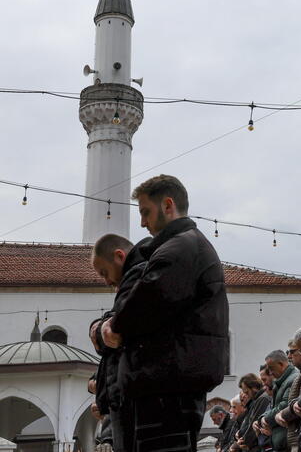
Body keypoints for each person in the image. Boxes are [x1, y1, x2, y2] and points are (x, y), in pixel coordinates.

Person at [101, 174, 229, 452]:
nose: (142, 222)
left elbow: (144, 305)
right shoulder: (183, 246)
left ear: (168, 205)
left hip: (166, 388)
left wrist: (114, 326)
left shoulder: (179, 249)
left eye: (146, 212)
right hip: (170, 383)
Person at [88, 233, 150, 452]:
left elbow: (120, 329)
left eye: (105, 272)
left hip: (133, 399)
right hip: (125, 398)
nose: (106, 281)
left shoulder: (138, 276)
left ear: (119, 256)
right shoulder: (136, 277)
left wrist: (101, 330)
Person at [261, 350, 300, 452]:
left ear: (281, 364)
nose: (270, 372)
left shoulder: (292, 379)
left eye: (271, 368)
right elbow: (274, 407)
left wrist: (265, 419)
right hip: (281, 440)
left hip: (287, 439)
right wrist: (262, 418)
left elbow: (283, 405)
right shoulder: (281, 382)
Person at [278, 339, 301, 452]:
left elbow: (300, 403)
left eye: (292, 352)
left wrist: (281, 414)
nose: (289, 356)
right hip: (297, 436)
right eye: (288, 352)